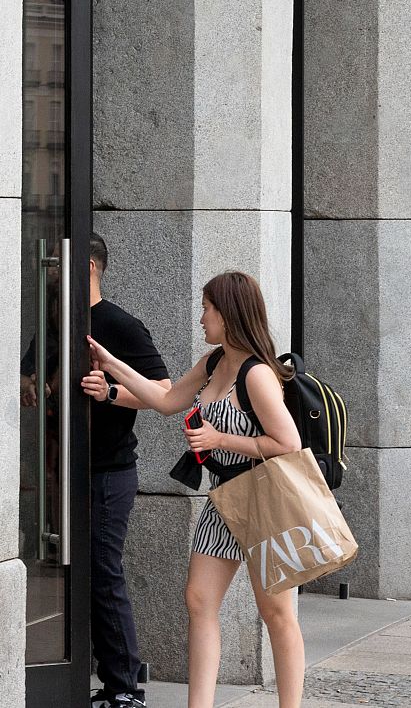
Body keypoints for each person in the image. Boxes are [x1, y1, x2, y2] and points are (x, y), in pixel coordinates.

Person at [85, 271, 305, 708]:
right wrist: (113, 368)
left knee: (277, 615)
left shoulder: (256, 374)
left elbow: (288, 443)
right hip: (224, 498)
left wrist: (219, 440)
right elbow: (166, 401)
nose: (201, 316)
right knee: (199, 599)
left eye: (207, 308)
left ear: (228, 314)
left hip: (265, 500)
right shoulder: (212, 362)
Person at [27, 234, 171, 708]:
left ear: (87, 267)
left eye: (56, 268)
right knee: (72, 573)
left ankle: (125, 687)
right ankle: (100, 680)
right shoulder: (55, 321)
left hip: (108, 472)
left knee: (103, 573)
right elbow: (29, 375)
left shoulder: (122, 325)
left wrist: (109, 390)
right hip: (60, 470)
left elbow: (164, 391)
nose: (49, 276)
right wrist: (29, 386)